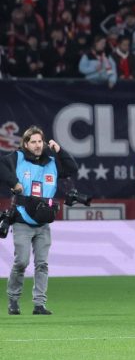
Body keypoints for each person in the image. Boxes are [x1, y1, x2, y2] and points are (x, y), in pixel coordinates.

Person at [1, 127, 78, 315]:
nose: (37, 145)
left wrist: (59, 151)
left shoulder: (52, 162)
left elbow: (72, 169)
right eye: (33, 142)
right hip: (21, 219)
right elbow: (1, 165)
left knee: (42, 264)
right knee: (22, 261)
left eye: (39, 141)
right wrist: (14, 182)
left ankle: (39, 304)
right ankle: (13, 299)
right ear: (26, 144)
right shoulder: (18, 158)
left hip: (43, 222)